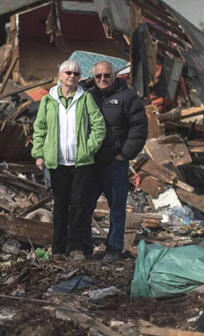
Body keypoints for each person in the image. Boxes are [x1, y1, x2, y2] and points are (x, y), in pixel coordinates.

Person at [32, 59, 106, 261]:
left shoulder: (85, 98)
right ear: (60, 76)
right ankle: (58, 249)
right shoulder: (49, 100)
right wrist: (39, 153)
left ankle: (75, 248)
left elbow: (99, 127)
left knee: (79, 206)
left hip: (80, 163)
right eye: (68, 73)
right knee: (60, 206)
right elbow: (40, 128)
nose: (72, 76)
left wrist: (87, 149)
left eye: (76, 73)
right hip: (57, 163)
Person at [87, 60, 148, 263]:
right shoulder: (88, 96)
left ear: (114, 75)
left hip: (114, 163)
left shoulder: (128, 97)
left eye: (107, 75)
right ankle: (84, 246)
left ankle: (113, 249)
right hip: (91, 161)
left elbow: (139, 128)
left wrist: (124, 154)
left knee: (117, 207)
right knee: (84, 204)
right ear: (93, 77)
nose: (103, 79)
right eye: (98, 76)